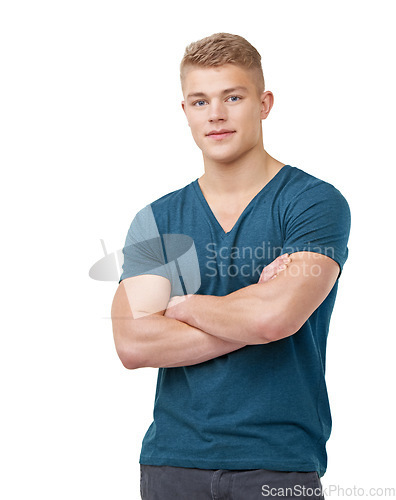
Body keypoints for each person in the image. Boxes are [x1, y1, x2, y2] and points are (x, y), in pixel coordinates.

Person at [111, 32, 351, 500]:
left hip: (278, 464)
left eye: (233, 97)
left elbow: (274, 317)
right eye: (200, 101)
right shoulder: (157, 219)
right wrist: (255, 315)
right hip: (170, 464)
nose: (215, 115)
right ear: (185, 112)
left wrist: (176, 305)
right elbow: (133, 343)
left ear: (264, 104)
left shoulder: (313, 203)